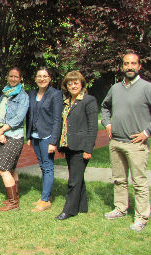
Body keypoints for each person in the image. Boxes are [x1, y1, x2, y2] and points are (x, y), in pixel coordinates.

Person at [101, 51, 151, 231]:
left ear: (139, 66)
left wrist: (147, 131)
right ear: (122, 66)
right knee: (119, 179)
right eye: (126, 64)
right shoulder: (115, 88)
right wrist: (107, 123)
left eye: (133, 63)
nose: (129, 67)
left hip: (136, 145)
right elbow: (105, 107)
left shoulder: (147, 88)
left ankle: (141, 217)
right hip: (116, 142)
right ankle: (121, 208)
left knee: (139, 182)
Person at [55, 71, 98, 220]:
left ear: (82, 84)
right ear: (66, 86)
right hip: (69, 146)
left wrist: (88, 148)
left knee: (73, 180)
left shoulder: (89, 100)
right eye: (70, 83)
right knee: (78, 177)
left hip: (81, 147)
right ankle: (81, 206)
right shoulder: (66, 102)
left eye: (76, 82)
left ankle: (69, 210)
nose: (73, 86)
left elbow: (93, 127)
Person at [26, 67, 63, 212]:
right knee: (42, 165)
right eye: (39, 76)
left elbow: (57, 120)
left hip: (47, 136)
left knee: (47, 167)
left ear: (50, 78)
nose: (42, 79)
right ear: (35, 78)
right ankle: (46, 195)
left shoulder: (55, 94)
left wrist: (53, 142)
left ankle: (45, 199)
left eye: (45, 76)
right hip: (35, 136)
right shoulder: (32, 93)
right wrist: (29, 135)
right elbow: (29, 116)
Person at [0, 67, 29, 211]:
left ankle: (13, 202)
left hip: (14, 135)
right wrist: (0, 132)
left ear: (20, 78)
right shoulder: (5, 94)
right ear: (7, 77)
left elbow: (19, 118)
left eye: (16, 77)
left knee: (3, 169)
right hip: (4, 134)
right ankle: (15, 195)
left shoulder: (23, 96)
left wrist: (3, 129)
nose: (13, 79)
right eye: (11, 76)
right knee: (11, 168)